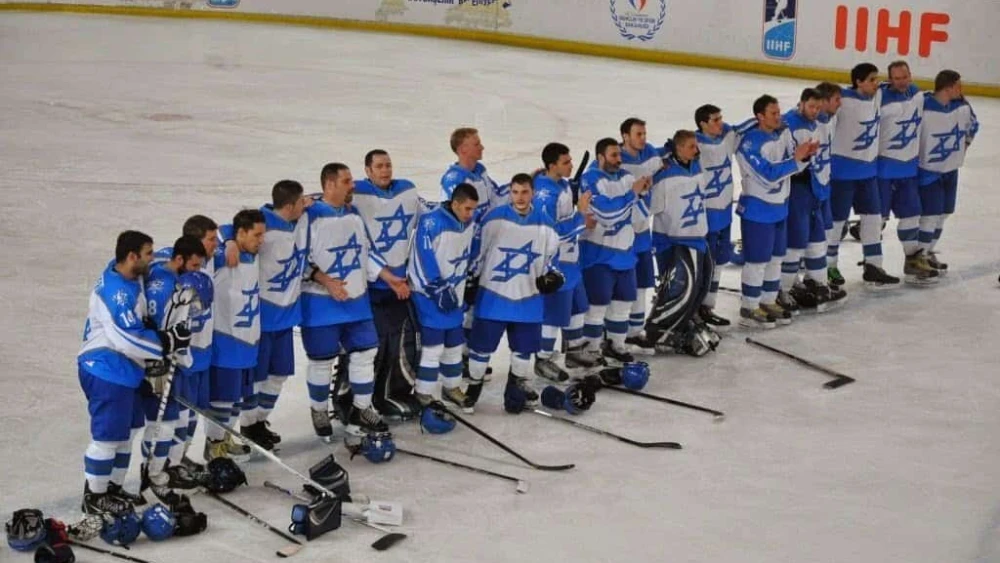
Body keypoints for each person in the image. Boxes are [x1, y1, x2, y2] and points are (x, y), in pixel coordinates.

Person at [78, 230, 191, 515]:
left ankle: (113, 488)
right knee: (107, 438)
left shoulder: (130, 273)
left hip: (124, 370)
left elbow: (164, 259)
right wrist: (167, 341)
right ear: (132, 257)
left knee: (127, 434)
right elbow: (128, 339)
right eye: (148, 254)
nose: (153, 259)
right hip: (105, 370)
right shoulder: (117, 294)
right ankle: (94, 496)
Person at [301, 163, 406, 456]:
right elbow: (296, 258)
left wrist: (388, 277)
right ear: (329, 184)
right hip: (320, 303)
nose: (353, 186)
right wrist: (326, 281)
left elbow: (366, 252)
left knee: (365, 353)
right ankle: (319, 409)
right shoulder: (308, 216)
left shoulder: (354, 213)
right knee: (322, 361)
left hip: (357, 301)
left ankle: (362, 409)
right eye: (347, 181)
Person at [222, 180, 311, 450]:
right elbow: (228, 228)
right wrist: (229, 242)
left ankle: (259, 422)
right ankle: (249, 425)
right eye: (301, 201)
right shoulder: (264, 221)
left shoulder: (298, 218)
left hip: (286, 317)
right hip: (263, 319)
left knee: (278, 375)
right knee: (257, 379)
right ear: (290, 205)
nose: (305, 204)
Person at [465, 173, 562, 413]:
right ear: (510, 193)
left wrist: (554, 276)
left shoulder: (546, 224)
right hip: (493, 297)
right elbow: (477, 253)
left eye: (525, 192)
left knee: (523, 352)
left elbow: (553, 259)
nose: (520, 197)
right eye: (515, 192)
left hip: (529, 299)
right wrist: (470, 280)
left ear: (533, 193)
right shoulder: (494, 219)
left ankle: (515, 389)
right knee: (480, 351)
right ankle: (473, 389)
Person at [351, 149, 427, 419]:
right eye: (379, 166)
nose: (385, 170)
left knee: (399, 344)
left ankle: (390, 394)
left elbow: (428, 212)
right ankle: (357, 401)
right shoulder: (355, 194)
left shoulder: (407, 191)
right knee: (368, 347)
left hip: (400, 286)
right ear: (368, 171)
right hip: (369, 288)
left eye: (388, 165)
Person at [734, 94, 818, 328]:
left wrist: (805, 155)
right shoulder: (749, 144)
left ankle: (768, 301)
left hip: (780, 207)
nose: (778, 116)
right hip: (758, 211)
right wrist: (797, 160)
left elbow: (793, 162)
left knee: (776, 259)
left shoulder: (782, 133)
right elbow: (768, 175)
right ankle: (749, 307)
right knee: (757, 261)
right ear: (760, 116)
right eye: (773, 113)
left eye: (779, 112)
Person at [141, 235, 208, 509]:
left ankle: (154, 473)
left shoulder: (162, 269)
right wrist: (178, 354)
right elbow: (167, 332)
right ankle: (154, 478)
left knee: (165, 422)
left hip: (158, 360)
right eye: (193, 265)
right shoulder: (171, 291)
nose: (195, 271)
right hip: (158, 365)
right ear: (179, 259)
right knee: (163, 424)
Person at [408, 183, 479, 420]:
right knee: (433, 348)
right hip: (430, 297)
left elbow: (469, 253)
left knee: (454, 345)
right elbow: (421, 259)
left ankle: (451, 387)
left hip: (454, 296)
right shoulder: (431, 223)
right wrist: (437, 288)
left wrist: (470, 279)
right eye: (467, 208)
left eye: (473, 209)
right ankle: (424, 392)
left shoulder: (468, 222)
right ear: (455, 203)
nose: (471, 213)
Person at [645, 130, 718, 355]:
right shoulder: (663, 174)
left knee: (701, 285)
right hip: (674, 241)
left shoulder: (696, 167)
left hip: (697, 238)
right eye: (691, 146)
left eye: (696, 145)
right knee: (679, 290)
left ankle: (685, 323)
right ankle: (661, 331)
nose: (696, 150)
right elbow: (651, 208)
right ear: (678, 148)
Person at [579, 138, 651, 363]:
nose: (619, 159)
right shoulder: (590, 179)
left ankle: (616, 346)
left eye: (619, 155)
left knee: (623, 305)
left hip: (625, 254)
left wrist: (640, 194)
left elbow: (641, 213)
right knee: (596, 308)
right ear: (600, 157)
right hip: (598, 256)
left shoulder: (628, 177)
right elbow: (606, 215)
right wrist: (631, 196)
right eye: (613, 155)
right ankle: (591, 352)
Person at [532, 143, 600, 382]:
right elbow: (550, 233)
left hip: (571, 261)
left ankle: (574, 350)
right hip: (555, 265)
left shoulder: (560, 184)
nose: (571, 165)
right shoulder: (544, 194)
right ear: (552, 166)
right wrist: (580, 217)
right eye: (566, 162)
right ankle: (542, 359)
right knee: (554, 315)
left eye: (571, 161)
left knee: (577, 307)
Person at [829, 63, 900, 287]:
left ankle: (873, 266)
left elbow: (897, 85)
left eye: (876, 79)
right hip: (842, 174)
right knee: (836, 222)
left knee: (873, 220)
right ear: (858, 82)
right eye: (871, 79)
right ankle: (828, 267)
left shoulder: (877, 95)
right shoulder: (841, 99)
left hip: (868, 173)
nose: (876, 83)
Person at [204, 209, 265, 462]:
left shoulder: (252, 253)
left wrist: (231, 239)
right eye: (257, 235)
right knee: (222, 400)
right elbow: (216, 233)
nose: (261, 240)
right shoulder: (220, 256)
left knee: (237, 400)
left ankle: (224, 439)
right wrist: (227, 241)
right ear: (241, 233)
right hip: (226, 341)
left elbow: (230, 228)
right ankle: (214, 446)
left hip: (248, 342)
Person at [780, 88, 846, 311]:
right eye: (811, 106)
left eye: (818, 107)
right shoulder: (788, 125)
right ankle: (784, 289)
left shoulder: (822, 122)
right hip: (799, 190)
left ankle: (817, 282)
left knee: (818, 239)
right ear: (801, 104)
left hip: (817, 188)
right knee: (796, 241)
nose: (815, 111)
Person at [877, 61, 939, 284]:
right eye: (897, 78)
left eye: (905, 77)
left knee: (911, 216)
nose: (902, 82)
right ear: (890, 79)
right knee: (876, 220)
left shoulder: (917, 93)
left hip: (908, 170)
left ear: (910, 75)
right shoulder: (879, 97)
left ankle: (912, 261)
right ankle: (872, 265)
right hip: (883, 170)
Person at [917, 69, 979, 272]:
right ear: (948, 88)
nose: (962, 90)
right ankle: (919, 258)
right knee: (930, 215)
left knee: (944, 212)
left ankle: (928, 252)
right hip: (928, 171)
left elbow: (973, 125)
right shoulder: (923, 105)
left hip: (951, 169)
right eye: (958, 86)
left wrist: (964, 146)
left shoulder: (962, 106)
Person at [693, 105, 742, 326]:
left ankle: (708, 306)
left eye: (721, 118)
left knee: (719, 261)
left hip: (725, 212)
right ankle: (694, 308)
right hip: (706, 214)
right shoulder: (694, 145)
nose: (720, 123)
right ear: (702, 124)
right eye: (715, 120)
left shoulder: (727, 137)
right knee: (705, 263)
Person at [618, 118, 663, 347]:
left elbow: (659, 163)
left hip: (643, 232)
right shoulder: (615, 160)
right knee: (621, 287)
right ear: (625, 136)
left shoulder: (650, 153)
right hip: (622, 236)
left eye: (644, 133)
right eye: (638, 134)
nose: (643, 138)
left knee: (642, 284)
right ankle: (615, 333)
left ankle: (635, 332)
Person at [441, 127, 508, 220]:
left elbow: (496, 196)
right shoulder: (454, 180)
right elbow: (460, 216)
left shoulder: (480, 171)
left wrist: (523, 185)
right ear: (463, 149)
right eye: (477, 144)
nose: (482, 147)